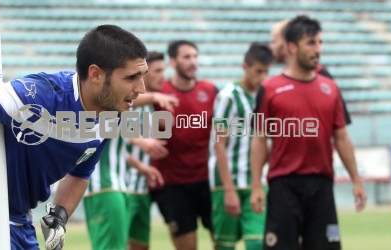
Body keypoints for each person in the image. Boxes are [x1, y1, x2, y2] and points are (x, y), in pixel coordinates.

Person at [0, 24, 149, 250]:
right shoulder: (40, 94)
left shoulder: (111, 116)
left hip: (17, 216)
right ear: (95, 74)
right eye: (131, 78)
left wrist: (59, 215)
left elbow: (80, 173)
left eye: (143, 76)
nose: (142, 89)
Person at [250, 15, 367, 250]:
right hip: (284, 186)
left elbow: (342, 137)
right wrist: (255, 185)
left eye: (320, 43)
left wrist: (356, 180)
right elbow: (260, 138)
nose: (318, 50)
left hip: (321, 186)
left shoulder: (331, 89)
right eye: (311, 43)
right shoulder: (269, 89)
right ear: (292, 47)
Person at [83, 51, 172, 250]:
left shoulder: (146, 107)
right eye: (156, 71)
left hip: (126, 183)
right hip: (104, 184)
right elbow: (110, 125)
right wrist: (140, 141)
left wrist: (142, 165)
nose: (162, 76)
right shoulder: (110, 101)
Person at [150, 40, 218, 250]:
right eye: (187, 57)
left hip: (208, 182)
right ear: (173, 61)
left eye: (195, 57)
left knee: (223, 243)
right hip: (173, 185)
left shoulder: (211, 91)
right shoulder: (159, 93)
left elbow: (223, 131)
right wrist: (150, 129)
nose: (193, 62)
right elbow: (127, 111)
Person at [209, 43, 273, 250]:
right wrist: (229, 189)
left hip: (255, 183)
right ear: (245, 66)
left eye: (266, 71)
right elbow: (219, 144)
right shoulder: (229, 96)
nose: (263, 77)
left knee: (257, 243)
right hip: (228, 183)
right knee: (225, 245)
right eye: (258, 71)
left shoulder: (265, 97)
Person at [269, 19, 352, 125]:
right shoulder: (276, 83)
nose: (271, 46)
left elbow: (339, 127)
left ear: (286, 43)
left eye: (273, 41)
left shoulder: (321, 76)